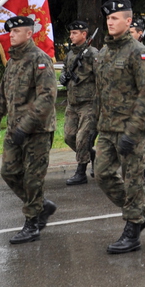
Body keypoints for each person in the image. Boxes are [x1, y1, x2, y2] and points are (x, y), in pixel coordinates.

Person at [91, 0, 145, 253]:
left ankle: (132, 232)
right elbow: (100, 93)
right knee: (103, 174)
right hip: (107, 128)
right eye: (108, 18)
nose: (110, 22)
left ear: (128, 22)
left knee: (133, 180)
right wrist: (93, 128)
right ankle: (138, 214)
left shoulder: (139, 52)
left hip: (131, 129)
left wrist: (133, 130)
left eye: (115, 18)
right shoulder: (104, 53)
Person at [0, 15, 58, 245]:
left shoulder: (40, 59)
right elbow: (2, 93)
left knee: (32, 179)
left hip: (36, 130)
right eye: (10, 32)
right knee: (9, 172)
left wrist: (26, 125)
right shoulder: (13, 61)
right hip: (14, 129)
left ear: (29, 34)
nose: (12, 35)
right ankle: (40, 205)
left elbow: (47, 97)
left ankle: (32, 224)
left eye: (17, 32)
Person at [60, 21, 98, 186]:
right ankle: (90, 154)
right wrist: (62, 76)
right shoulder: (71, 54)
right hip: (72, 103)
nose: (71, 36)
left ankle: (81, 172)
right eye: (71, 33)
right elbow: (65, 69)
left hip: (88, 103)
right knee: (69, 137)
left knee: (83, 138)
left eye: (75, 33)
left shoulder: (92, 53)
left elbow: (100, 77)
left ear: (84, 34)